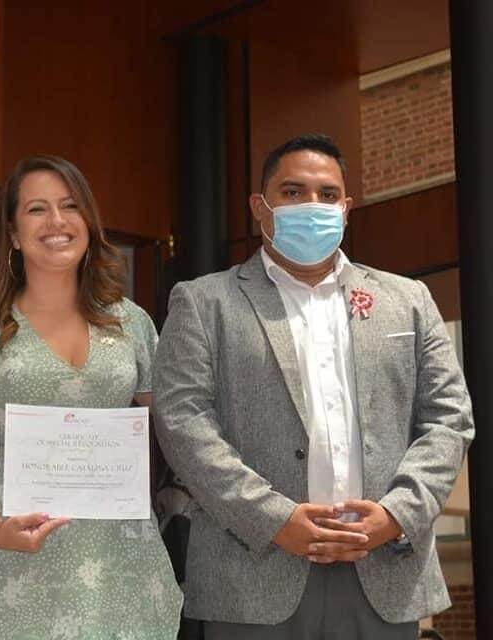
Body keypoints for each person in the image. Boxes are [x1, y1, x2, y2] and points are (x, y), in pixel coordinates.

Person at [152, 133, 474, 639]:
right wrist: (276, 519)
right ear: (260, 208)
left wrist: (396, 514)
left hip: (384, 571)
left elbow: (449, 418)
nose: (312, 206)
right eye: (293, 192)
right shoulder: (203, 303)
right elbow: (182, 423)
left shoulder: (408, 300)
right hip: (251, 576)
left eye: (327, 195)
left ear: (347, 209)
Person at [0, 155, 183, 639]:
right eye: (37, 209)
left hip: (121, 557)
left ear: (88, 222)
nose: (57, 221)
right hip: (19, 550)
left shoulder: (132, 322)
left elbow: (175, 425)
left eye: (70, 206)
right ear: (14, 234)